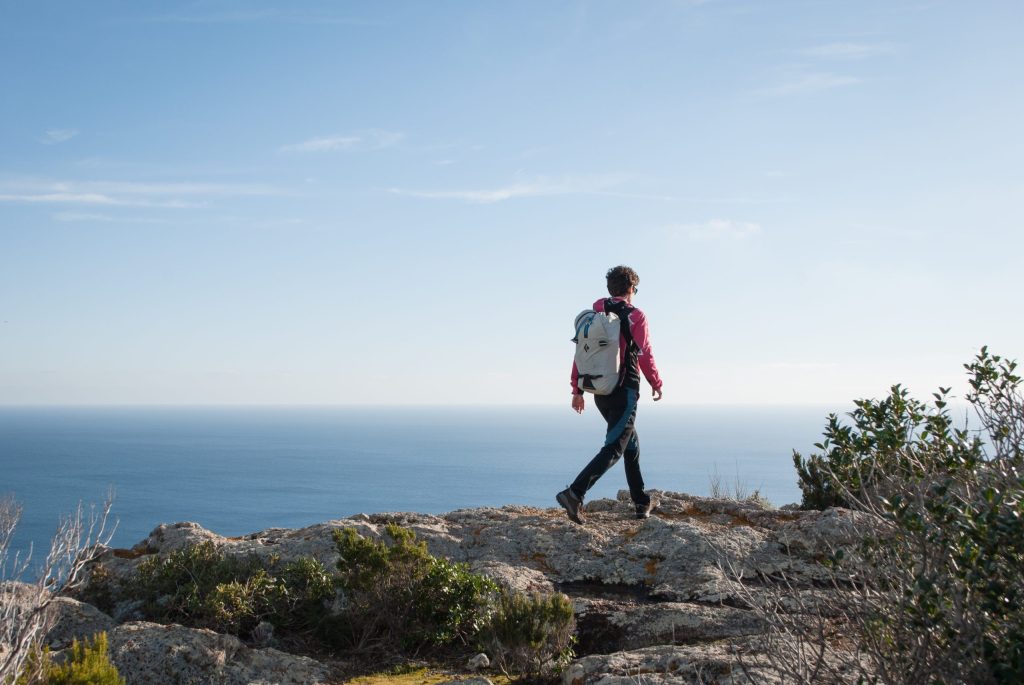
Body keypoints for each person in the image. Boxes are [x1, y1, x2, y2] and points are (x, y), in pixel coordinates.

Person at [556, 265, 663, 524]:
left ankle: (641, 501)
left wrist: (577, 389)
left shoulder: (595, 314)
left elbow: (581, 354)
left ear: (609, 289)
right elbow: (644, 353)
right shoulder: (636, 316)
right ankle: (574, 493)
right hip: (625, 388)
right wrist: (656, 382)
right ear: (631, 290)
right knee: (615, 447)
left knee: (630, 444)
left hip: (599, 390)